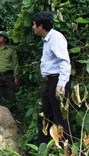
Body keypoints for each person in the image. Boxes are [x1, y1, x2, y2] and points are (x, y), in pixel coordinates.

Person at [32, 11, 72, 147]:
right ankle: (43, 149)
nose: (33, 28)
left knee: (60, 120)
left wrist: (61, 85)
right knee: (44, 118)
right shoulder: (47, 39)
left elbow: (65, 62)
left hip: (58, 81)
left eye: (34, 25)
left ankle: (67, 149)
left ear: (40, 26)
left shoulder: (55, 38)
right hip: (51, 82)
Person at [0, 31, 19, 109]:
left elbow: (15, 64)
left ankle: (12, 113)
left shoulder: (11, 50)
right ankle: (0, 113)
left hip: (8, 76)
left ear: (5, 39)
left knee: (10, 95)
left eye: (0, 36)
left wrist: (16, 76)